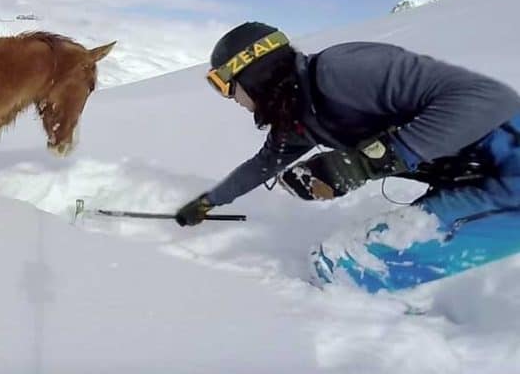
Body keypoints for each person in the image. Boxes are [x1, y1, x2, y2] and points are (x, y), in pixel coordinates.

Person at [175, 22, 520, 291]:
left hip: (511, 171)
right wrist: (209, 201)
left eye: (225, 84)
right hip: (478, 179)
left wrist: (366, 163)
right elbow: (263, 165)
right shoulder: (299, 114)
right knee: (337, 265)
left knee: (348, 270)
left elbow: (491, 98)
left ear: (252, 70)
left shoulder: (344, 70)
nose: (229, 97)